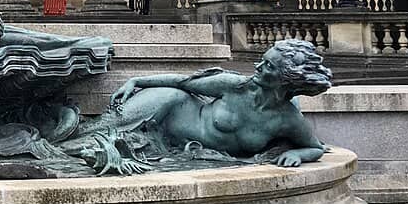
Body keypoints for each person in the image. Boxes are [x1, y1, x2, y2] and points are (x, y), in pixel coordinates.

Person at [95, 38, 332, 165]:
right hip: (170, 104)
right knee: (99, 133)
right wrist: (137, 81)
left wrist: (298, 155)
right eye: (262, 60)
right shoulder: (235, 85)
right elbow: (183, 82)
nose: (257, 67)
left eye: (268, 65)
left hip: (191, 149)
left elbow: (314, 148)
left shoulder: (287, 118)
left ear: (285, 78)